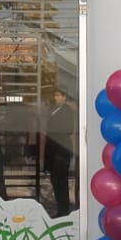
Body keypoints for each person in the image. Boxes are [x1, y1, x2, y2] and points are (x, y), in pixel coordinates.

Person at [43, 87, 76, 217]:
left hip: (62, 150)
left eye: (58, 95)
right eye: (54, 95)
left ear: (64, 97)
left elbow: (68, 128)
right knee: (55, 180)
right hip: (53, 149)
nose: (55, 98)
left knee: (61, 180)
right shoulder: (52, 110)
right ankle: (61, 207)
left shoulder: (67, 111)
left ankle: (63, 209)